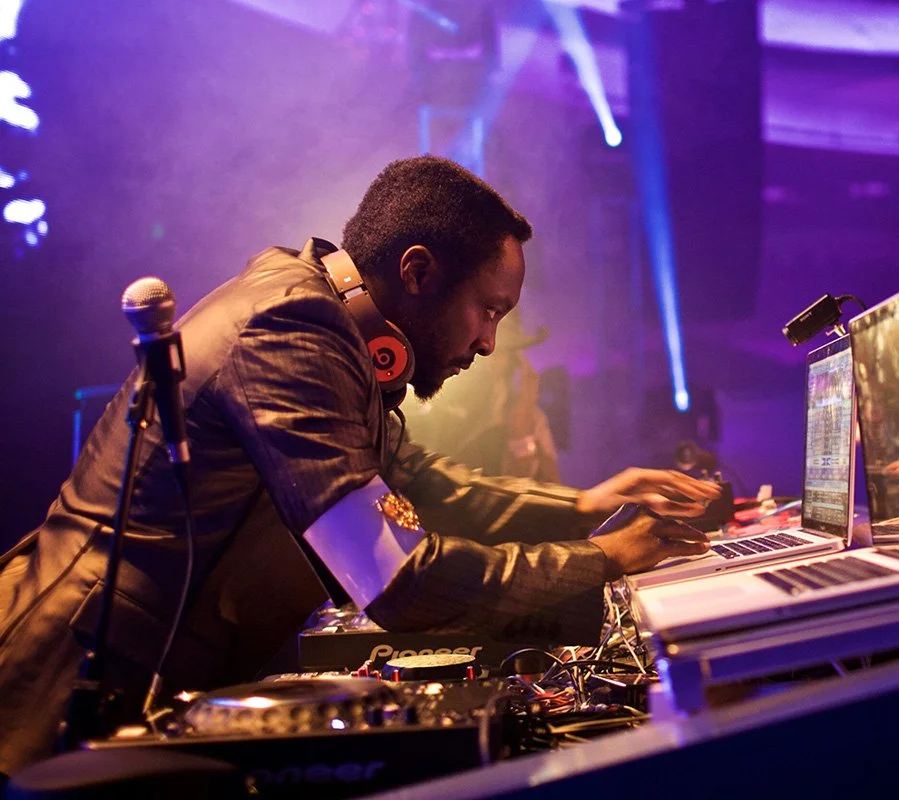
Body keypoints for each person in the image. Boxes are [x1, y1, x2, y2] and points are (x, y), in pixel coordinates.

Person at [0, 156, 718, 776]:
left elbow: (423, 480)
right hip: (64, 695)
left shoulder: (324, 321)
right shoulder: (290, 329)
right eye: (488, 310)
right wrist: (600, 562)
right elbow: (397, 580)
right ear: (417, 271)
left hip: (135, 687)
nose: (491, 343)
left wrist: (586, 506)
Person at [405, 307, 562, 482]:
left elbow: (543, 482)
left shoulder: (528, 414)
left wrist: (523, 419)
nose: (490, 356)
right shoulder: (443, 404)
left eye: (502, 351)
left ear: (512, 359)